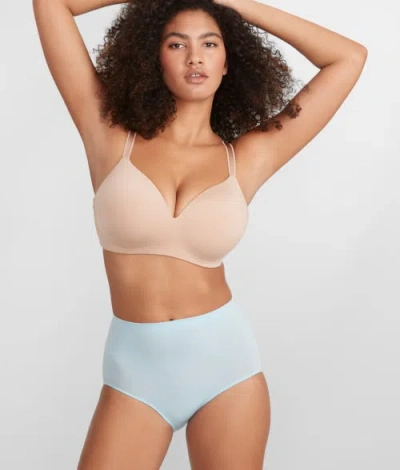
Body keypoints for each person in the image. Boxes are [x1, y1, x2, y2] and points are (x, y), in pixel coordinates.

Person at [33, 0, 367, 468]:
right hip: (135, 372)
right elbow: (51, 4)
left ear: (228, 61)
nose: (195, 57)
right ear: (154, 57)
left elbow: (348, 57)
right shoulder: (107, 134)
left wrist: (235, 4)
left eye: (210, 44)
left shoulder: (249, 156)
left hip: (226, 367)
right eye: (177, 44)